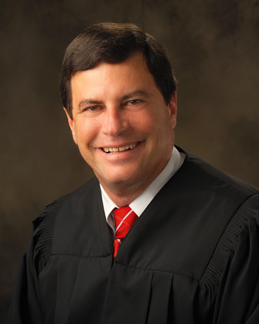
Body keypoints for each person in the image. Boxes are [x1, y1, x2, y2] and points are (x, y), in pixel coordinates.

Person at [4, 22, 259, 324]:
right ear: (71, 123)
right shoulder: (52, 233)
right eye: (92, 108)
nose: (113, 127)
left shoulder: (242, 231)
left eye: (132, 102)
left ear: (171, 107)